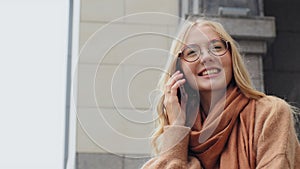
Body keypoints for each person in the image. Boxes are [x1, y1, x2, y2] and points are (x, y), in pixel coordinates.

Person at [142, 17, 300, 169]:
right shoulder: (182, 134)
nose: (206, 57)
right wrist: (176, 130)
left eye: (217, 47)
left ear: (231, 57)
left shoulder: (270, 113)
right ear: (179, 70)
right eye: (192, 53)